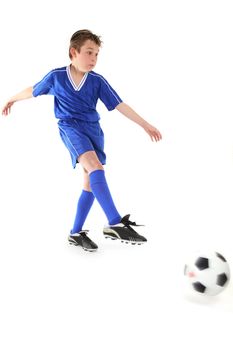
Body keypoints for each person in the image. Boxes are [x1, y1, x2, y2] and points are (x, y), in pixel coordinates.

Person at [1, 29, 162, 252]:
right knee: (95, 168)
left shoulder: (97, 81)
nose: (93, 59)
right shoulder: (56, 76)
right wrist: (12, 99)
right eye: (89, 53)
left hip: (93, 131)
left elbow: (119, 104)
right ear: (73, 52)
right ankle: (114, 222)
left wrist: (145, 124)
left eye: (96, 54)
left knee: (89, 182)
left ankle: (75, 233)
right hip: (70, 127)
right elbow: (34, 90)